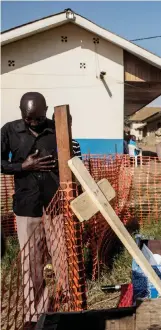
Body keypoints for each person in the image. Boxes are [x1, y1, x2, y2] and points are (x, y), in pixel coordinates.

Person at [1, 92, 58, 327]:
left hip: (57, 205)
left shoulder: (57, 129)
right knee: (30, 261)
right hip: (27, 205)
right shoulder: (9, 130)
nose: (32, 123)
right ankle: (33, 314)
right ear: (21, 112)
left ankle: (64, 304)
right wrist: (22, 166)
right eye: (28, 119)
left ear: (46, 110)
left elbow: (72, 158)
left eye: (37, 118)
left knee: (62, 258)